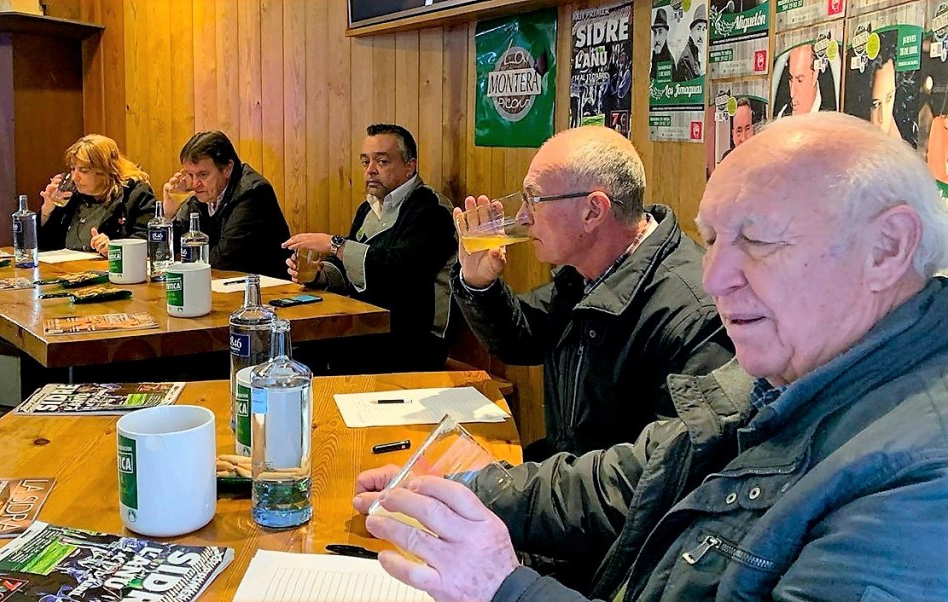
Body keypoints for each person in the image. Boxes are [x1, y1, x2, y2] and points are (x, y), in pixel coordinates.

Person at [355, 112, 948, 601]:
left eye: (757, 240)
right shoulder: (778, 372)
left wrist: (505, 588)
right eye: (711, 240)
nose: (714, 277)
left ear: (888, 247)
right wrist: (458, 485)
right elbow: (630, 476)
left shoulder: (919, 482)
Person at [451, 126, 732, 458]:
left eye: (533, 200)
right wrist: (479, 284)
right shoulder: (586, 274)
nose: (523, 218)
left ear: (593, 211)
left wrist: (524, 484)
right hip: (568, 475)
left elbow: (663, 468)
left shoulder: (695, 315)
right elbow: (521, 339)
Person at [283, 124, 457, 373]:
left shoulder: (432, 209)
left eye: (382, 162)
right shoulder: (369, 208)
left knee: (310, 359)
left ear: (410, 166)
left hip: (415, 339)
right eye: (365, 162)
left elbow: (401, 269)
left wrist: (335, 245)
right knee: (293, 351)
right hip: (369, 327)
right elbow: (349, 267)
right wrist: (318, 275)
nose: (370, 171)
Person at [162, 131, 290, 278]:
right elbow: (166, 252)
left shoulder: (252, 193)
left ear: (227, 169)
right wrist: (168, 216)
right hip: (222, 283)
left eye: (203, 175)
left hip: (267, 287)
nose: (195, 183)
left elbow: (222, 260)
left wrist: (186, 262)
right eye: (190, 175)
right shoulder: (200, 195)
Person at [38, 134, 156, 256]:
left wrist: (115, 248)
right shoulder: (72, 193)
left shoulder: (135, 194)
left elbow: (149, 238)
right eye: (73, 169)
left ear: (105, 170)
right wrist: (47, 211)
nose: (74, 177)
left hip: (109, 266)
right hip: (67, 266)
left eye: (84, 171)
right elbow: (45, 244)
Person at [674, 4, 706, 82]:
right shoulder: (686, 56)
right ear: (691, 30)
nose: (701, 35)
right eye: (698, 29)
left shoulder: (694, 52)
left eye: (703, 29)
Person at [649, 8, 673, 80]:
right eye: (655, 33)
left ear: (666, 34)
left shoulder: (668, 59)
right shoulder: (655, 55)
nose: (657, 39)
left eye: (660, 32)